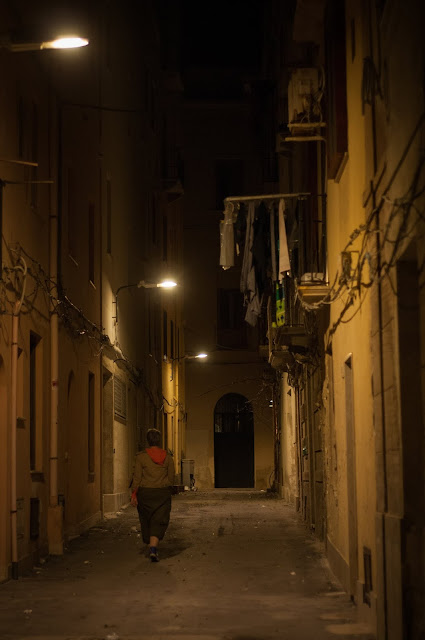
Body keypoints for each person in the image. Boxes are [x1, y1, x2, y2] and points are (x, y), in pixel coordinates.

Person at [130, 428, 175, 562]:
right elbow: (171, 478)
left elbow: (137, 477)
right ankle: (153, 549)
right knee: (159, 520)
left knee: (147, 520)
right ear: (159, 440)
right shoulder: (167, 457)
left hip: (145, 493)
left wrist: (134, 494)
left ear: (147, 441)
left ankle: (151, 546)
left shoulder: (141, 457)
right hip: (162, 493)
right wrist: (163, 484)